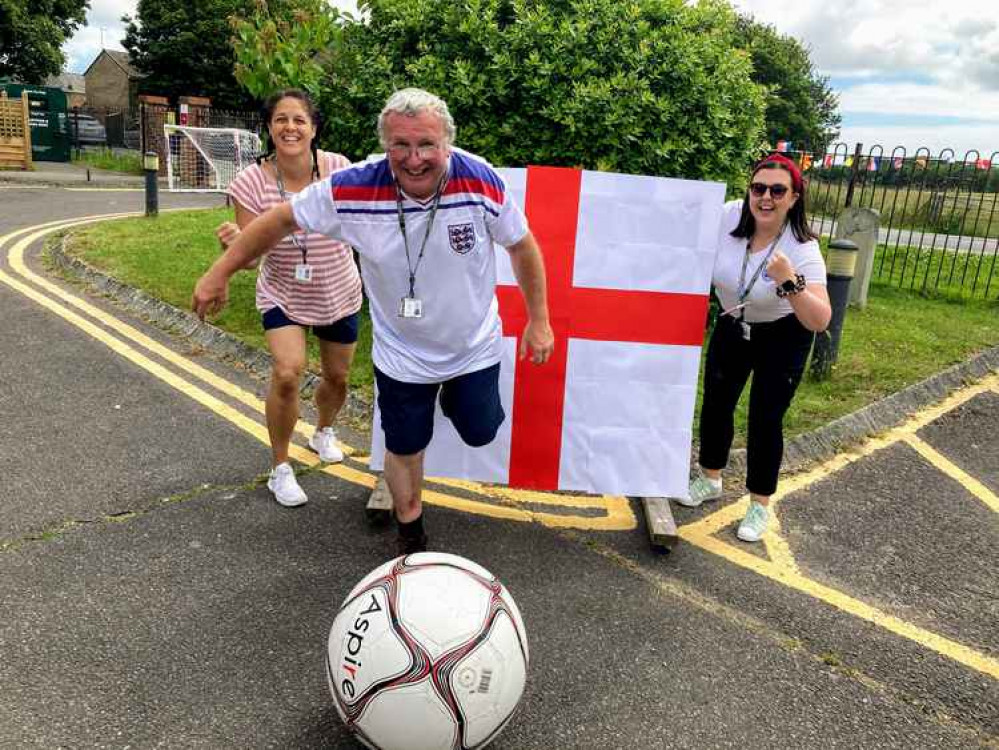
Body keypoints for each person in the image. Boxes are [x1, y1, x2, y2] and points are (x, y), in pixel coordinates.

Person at [193, 88, 555, 554]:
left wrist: (539, 319)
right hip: (401, 351)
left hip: (473, 345)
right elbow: (279, 220)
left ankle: (449, 397)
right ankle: (411, 536)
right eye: (400, 146)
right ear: (385, 147)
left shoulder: (480, 180)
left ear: (448, 142)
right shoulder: (356, 187)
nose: (414, 158)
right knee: (404, 447)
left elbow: (523, 246)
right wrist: (218, 273)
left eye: (426, 144)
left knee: (479, 429)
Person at [216, 88, 363, 508]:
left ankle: (323, 431)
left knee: (338, 377)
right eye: (281, 119)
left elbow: (359, 223)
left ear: (314, 128)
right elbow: (249, 258)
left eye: (299, 119)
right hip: (283, 291)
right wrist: (236, 245)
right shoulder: (249, 182)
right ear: (269, 127)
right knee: (287, 372)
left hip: (338, 289)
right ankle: (280, 468)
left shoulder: (338, 169)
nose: (290, 127)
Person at [675, 153, 831, 542]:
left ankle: (760, 504)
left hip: (784, 332)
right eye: (758, 188)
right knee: (716, 403)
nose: (766, 197)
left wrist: (790, 281)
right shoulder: (729, 217)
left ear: (794, 197)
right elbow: (679, 213)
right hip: (733, 324)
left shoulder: (802, 248)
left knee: (765, 418)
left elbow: (820, 318)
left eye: (778, 190)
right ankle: (710, 477)